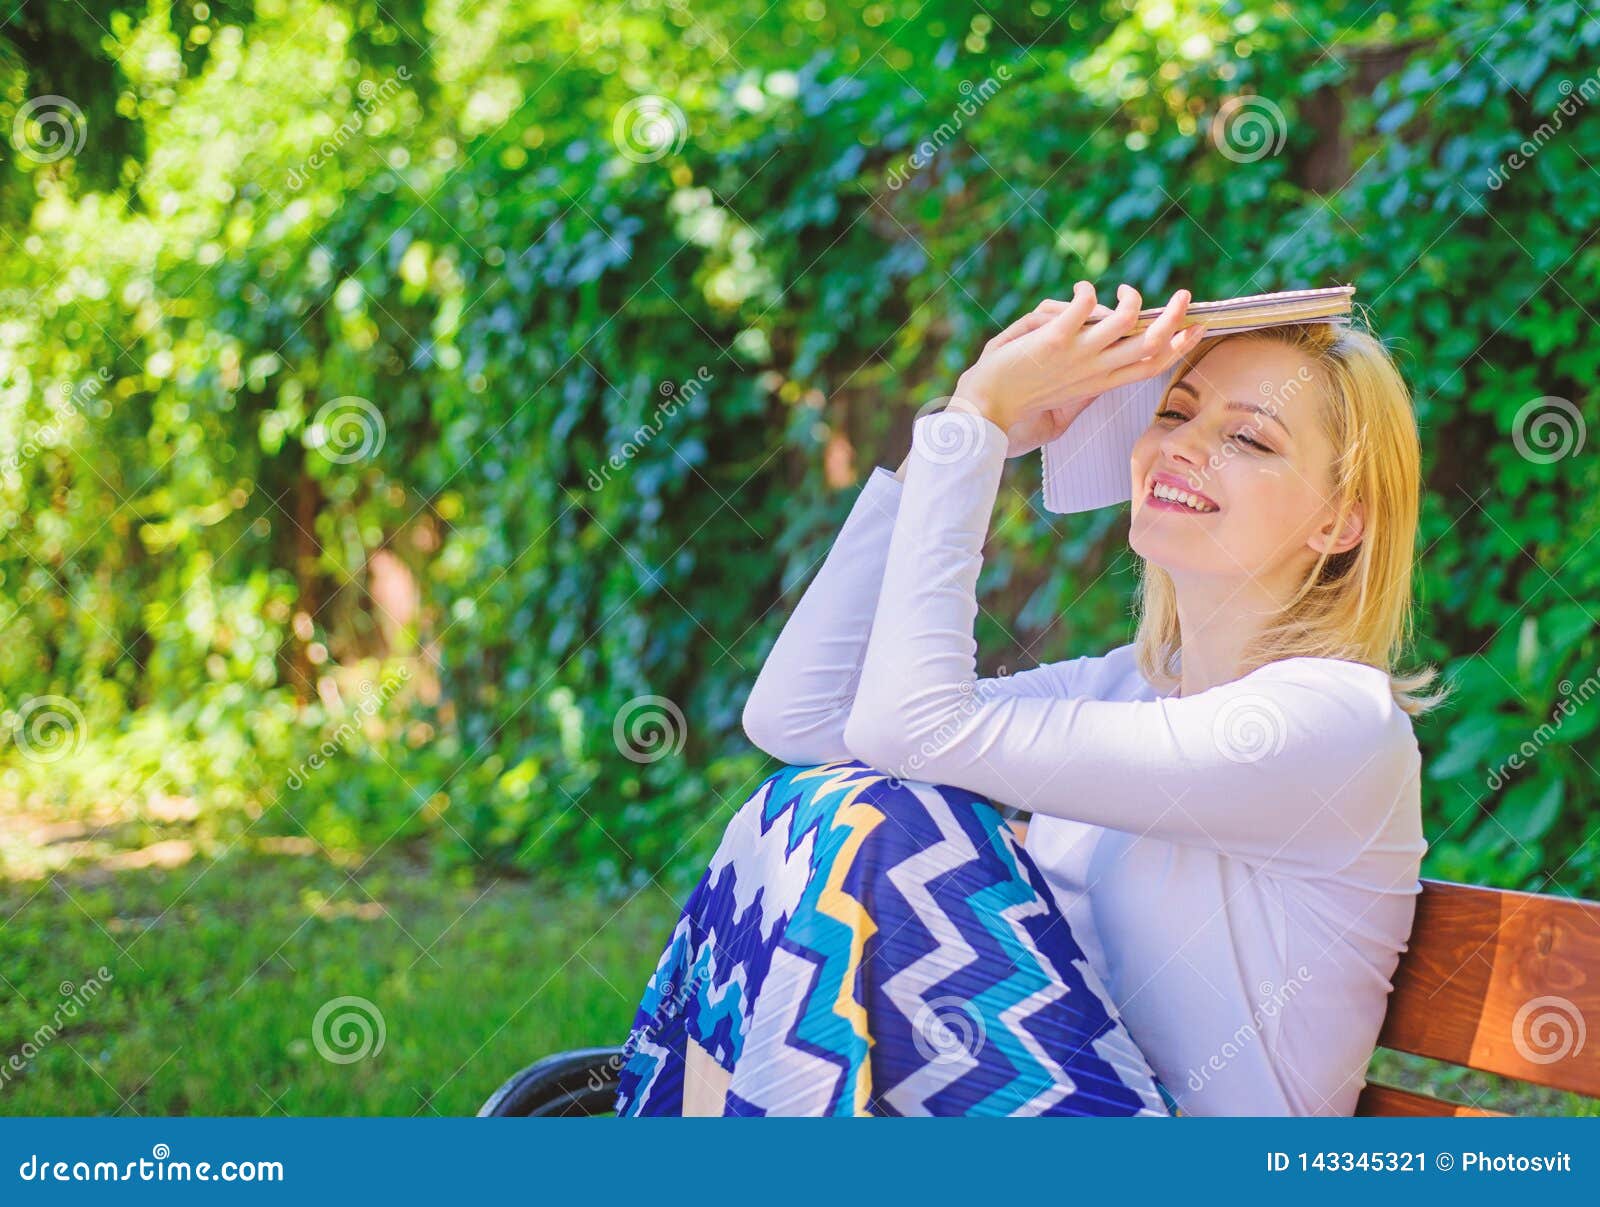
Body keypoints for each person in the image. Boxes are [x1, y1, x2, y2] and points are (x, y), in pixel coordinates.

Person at [615, 282, 1446, 1117]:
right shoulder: (1126, 687)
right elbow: (801, 720)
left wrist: (973, 421)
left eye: (1247, 437)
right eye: (1174, 412)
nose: (1184, 446)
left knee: (875, 819)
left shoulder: (1335, 724)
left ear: (1341, 522)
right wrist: (969, 439)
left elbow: (911, 729)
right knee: (815, 797)